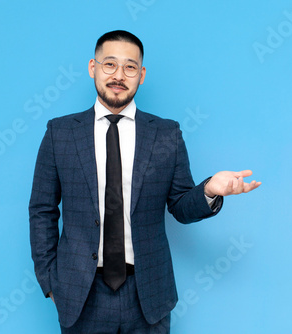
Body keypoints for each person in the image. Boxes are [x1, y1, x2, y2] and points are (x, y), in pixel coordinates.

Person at [29, 30, 261, 333]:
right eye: (109, 64)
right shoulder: (60, 133)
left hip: (148, 293)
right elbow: (42, 210)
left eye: (130, 67)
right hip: (80, 294)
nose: (119, 75)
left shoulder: (166, 134)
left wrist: (208, 191)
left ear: (141, 74)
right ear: (93, 68)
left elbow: (180, 206)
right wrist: (50, 283)